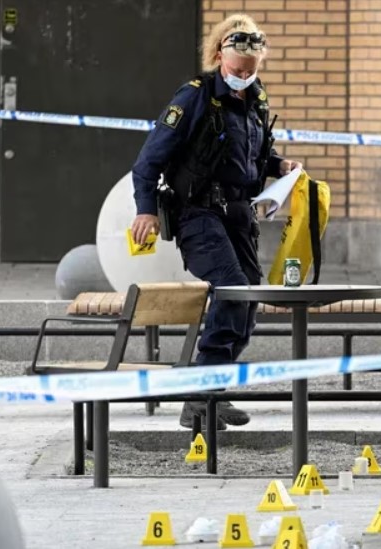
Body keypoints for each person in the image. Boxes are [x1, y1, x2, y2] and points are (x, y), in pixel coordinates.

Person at [130, 14, 302, 430]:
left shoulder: (257, 100)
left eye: (251, 69)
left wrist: (282, 166)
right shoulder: (194, 97)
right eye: (237, 69)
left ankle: (213, 389)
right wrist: (146, 209)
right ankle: (198, 396)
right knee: (231, 287)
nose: (243, 75)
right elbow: (147, 162)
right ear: (219, 55)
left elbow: (257, 157)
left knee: (247, 303)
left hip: (240, 216)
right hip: (198, 215)